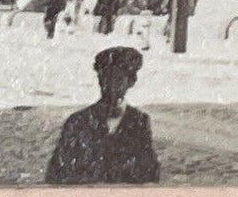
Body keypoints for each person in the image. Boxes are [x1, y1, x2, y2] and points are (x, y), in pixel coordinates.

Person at [45, 45, 159, 185]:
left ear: (131, 82)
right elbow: (56, 173)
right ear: (99, 80)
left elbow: (149, 172)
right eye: (106, 78)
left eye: (118, 80)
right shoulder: (77, 122)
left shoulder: (139, 121)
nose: (111, 86)